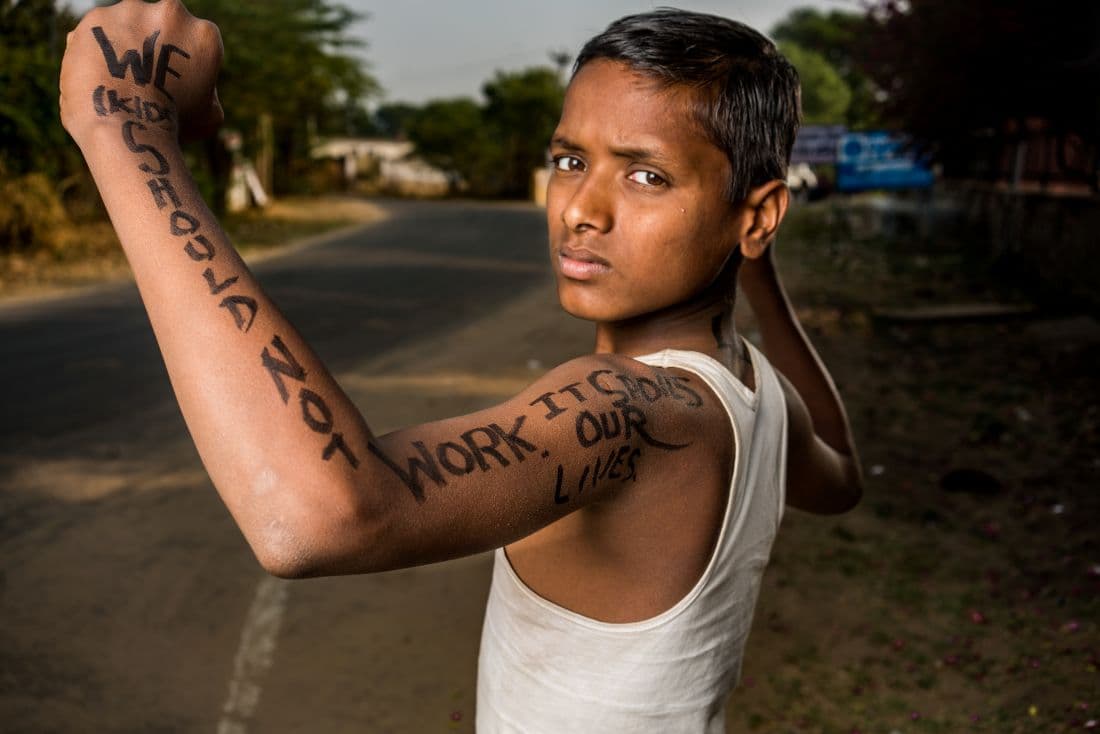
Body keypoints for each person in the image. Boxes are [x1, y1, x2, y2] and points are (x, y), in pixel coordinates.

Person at [60, 2, 862, 730]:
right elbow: (843, 474)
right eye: (571, 159)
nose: (582, 209)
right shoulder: (757, 393)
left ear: (756, 213)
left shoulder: (635, 407)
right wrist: (755, 263)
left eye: (647, 175)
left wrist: (126, 126)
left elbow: (314, 521)